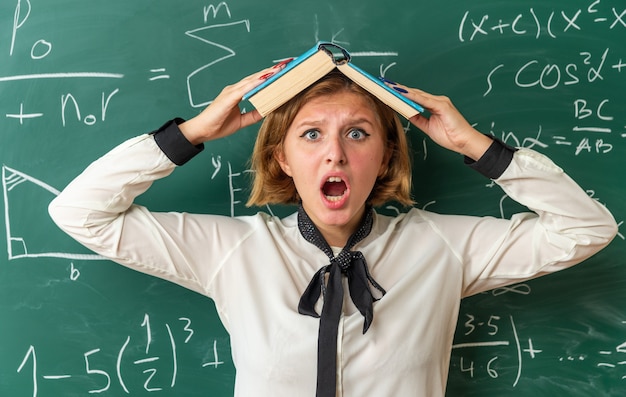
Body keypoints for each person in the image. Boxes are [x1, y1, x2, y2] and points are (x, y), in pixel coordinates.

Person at [48, 63, 618, 397]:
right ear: (283, 161)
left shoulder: (442, 246)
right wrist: (192, 132)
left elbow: (587, 229)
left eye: (360, 134)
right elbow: (80, 213)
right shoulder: (232, 250)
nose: (336, 156)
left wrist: (472, 144)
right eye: (312, 135)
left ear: (386, 158)